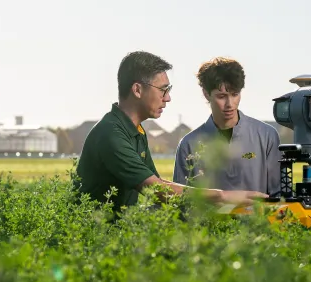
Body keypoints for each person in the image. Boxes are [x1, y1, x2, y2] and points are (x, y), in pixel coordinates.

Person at [75, 51, 268, 215]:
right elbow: (155, 189)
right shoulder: (111, 134)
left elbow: (160, 188)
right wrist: (222, 196)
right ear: (137, 89)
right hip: (91, 237)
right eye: (163, 90)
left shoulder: (135, 131)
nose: (168, 98)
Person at [173, 57, 282, 196]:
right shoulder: (188, 144)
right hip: (209, 218)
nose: (230, 104)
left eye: (235, 95)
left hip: (258, 217)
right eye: (221, 96)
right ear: (206, 94)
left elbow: (279, 194)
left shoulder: (267, 136)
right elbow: (181, 200)